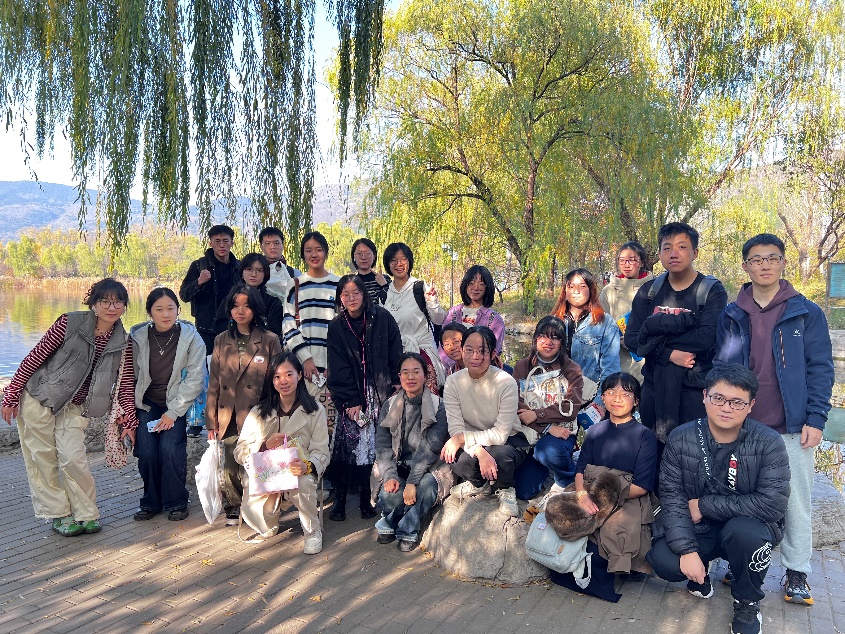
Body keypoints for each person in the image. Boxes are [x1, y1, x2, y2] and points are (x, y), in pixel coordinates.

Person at [714, 233, 834, 606]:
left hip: (791, 426)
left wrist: (816, 418)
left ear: (783, 262)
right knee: (738, 496)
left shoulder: (806, 312)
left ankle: (797, 571)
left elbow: (821, 368)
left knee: (795, 501)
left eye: (772, 258)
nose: (764, 265)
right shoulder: (732, 314)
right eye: (756, 259)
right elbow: (721, 367)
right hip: (742, 426)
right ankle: (739, 561)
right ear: (745, 266)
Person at [646, 365, 790, 634]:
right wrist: (687, 552)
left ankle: (747, 601)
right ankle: (701, 573)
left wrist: (704, 505)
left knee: (746, 534)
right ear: (705, 397)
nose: (726, 408)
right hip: (701, 528)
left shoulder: (768, 443)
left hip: (746, 527)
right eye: (718, 398)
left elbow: (772, 504)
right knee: (664, 559)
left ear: (751, 405)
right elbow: (672, 497)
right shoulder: (681, 437)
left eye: (737, 402)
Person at [1, 279, 137, 536]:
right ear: (93, 303)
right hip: (41, 397)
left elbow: (126, 383)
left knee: (74, 458)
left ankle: (86, 513)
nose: (112, 307)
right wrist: (11, 395)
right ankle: (59, 514)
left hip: (76, 406)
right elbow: (35, 357)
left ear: (124, 305)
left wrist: (130, 420)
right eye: (105, 301)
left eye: (118, 302)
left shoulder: (124, 342)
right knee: (42, 458)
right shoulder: (69, 323)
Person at [624, 222, 728, 446]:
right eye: (667, 247)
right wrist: (668, 354)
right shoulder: (649, 292)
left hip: (694, 391)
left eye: (682, 247)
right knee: (654, 452)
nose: (674, 253)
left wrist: (654, 341)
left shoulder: (711, 291)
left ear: (695, 253)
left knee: (692, 455)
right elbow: (633, 339)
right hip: (654, 389)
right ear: (660, 253)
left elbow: (706, 338)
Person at [234, 352, 329, 554]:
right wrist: (263, 446)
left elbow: (321, 451)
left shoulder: (315, 410)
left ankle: (312, 530)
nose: (283, 381)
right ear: (272, 380)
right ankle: (268, 520)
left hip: (298, 470)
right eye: (277, 376)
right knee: (264, 523)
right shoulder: (259, 412)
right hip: (269, 471)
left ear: (299, 375)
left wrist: (307, 466)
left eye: (289, 374)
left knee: (302, 480)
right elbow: (239, 450)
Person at [326, 274, 403, 521]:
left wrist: (396, 382)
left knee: (372, 447)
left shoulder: (382, 318)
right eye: (345, 294)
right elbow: (337, 366)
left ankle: (365, 499)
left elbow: (395, 351)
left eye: (355, 293)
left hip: (379, 390)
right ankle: (339, 499)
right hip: (352, 394)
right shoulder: (336, 326)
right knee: (347, 447)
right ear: (340, 298)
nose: (351, 298)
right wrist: (349, 400)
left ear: (364, 294)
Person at [206, 284, 282, 526]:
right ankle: (233, 506)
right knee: (229, 463)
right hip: (228, 412)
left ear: (255, 309)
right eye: (236, 306)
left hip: (257, 413)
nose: (241, 311)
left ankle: (258, 507)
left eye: (247, 306)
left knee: (255, 461)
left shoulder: (269, 340)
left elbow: (277, 379)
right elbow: (214, 383)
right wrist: (211, 421)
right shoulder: (221, 340)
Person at [130, 287, 206, 522]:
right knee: (147, 452)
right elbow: (129, 374)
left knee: (170, 449)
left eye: (171, 308)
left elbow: (195, 378)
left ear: (178, 310)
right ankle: (150, 501)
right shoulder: (137, 338)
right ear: (149, 312)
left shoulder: (191, 338)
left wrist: (173, 412)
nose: (166, 314)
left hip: (176, 403)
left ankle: (176, 501)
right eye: (159, 309)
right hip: (147, 403)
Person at [573, 372, 658, 574]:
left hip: (626, 497)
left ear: (636, 401)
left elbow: (642, 486)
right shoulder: (595, 431)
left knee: (607, 551)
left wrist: (603, 499)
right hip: (590, 493)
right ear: (603, 397)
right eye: (611, 392)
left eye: (625, 394)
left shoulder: (645, 436)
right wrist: (582, 495)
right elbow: (580, 470)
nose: (617, 398)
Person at [440, 326, 529, 517]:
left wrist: (462, 438)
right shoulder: (453, 382)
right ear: (462, 350)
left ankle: (505, 488)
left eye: (482, 351)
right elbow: (456, 428)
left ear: (493, 353)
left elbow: (500, 434)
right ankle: (480, 484)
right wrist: (479, 452)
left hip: (509, 440)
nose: (475, 357)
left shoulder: (505, 382)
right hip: (473, 440)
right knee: (454, 456)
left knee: (499, 454)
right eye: (469, 350)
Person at [375, 352, 451, 552]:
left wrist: (412, 482)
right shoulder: (390, 405)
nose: (411, 377)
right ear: (399, 376)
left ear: (425, 375)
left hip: (429, 467)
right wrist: (390, 475)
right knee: (391, 492)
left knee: (425, 488)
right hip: (399, 464)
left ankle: (408, 529)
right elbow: (382, 444)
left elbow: (431, 447)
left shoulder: (439, 406)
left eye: (416, 372)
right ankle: (389, 521)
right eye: (405, 372)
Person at [512, 316, 585, 489]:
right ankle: (544, 466)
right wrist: (546, 428)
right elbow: (514, 402)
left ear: (562, 343)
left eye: (555, 338)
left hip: (561, 434)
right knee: (524, 490)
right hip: (530, 432)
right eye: (543, 336)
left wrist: (537, 414)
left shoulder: (571, 369)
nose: (548, 342)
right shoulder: (522, 366)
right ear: (535, 339)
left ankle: (568, 480)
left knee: (550, 451)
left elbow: (570, 408)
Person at [383, 242, 446, 394]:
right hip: (395, 358)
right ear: (388, 264)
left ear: (409, 262)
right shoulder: (384, 294)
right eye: (394, 260)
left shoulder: (420, 287)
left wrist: (432, 301)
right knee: (400, 404)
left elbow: (439, 319)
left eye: (403, 259)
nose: (399, 264)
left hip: (421, 353)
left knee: (428, 401)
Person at [551, 268, 621, 404]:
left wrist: (599, 404)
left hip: (589, 399)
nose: (576, 291)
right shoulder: (554, 321)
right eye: (571, 287)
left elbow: (611, 368)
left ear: (591, 290)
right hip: (555, 397)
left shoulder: (605, 323)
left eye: (582, 286)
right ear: (565, 291)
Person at [281, 231, 340, 387]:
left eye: (319, 249)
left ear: (326, 252)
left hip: (332, 368)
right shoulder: (295, 285)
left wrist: (333, 363)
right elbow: (288, 324)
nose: (314, 254)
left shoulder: (338, 284)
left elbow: (344, 327)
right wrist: (305, 358)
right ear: (303, 254)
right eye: (308, 250)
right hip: (301, 367)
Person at [180, 224, 241, 354]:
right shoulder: (199, 265)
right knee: (206, 364)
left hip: (234, 328)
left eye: (225, 241)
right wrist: (199, 282)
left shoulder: (239, 267)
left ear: (232, 243)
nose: (222, 245)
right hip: (206, 330)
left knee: (233, 365)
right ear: (210, 243)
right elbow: (184, 295)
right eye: (217, 241)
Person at [599, 241, 654, 382]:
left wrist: (638, 340)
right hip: (618, 358)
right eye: (622, 260)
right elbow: (602, 325)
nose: (626, 264)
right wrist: (616, 340)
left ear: (641, 262)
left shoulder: (654, 288)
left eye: (631, 260)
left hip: (649, 357)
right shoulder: (608, 291)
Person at [441, 266, 505, 371]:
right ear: (465, 285)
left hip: (481, 374)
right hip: (452, 372)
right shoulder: (453, 313)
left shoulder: (494, 320)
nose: (476, 287)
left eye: (481, 284)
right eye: (471, 283)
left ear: (487, 287)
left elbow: (493, 351)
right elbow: (443, 346)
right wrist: (455, 368)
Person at [234, 253, 285, 336]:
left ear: (265, 274)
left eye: (259, 270)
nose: (254, 274)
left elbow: (274, 331)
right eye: (249, 269)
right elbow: (222, 325)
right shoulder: (232, 298)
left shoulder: (273, 303)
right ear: (242, 272)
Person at [258, 226, 299, 300]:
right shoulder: (255, 272)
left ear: (283, 245)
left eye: (276, 243)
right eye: (268, 243)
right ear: (261, 247)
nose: (272, 247)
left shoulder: (294, 273)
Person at [351, 238, 391, 305]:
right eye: (359, 254)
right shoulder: (351, 283)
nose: (363, 257)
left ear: (374, 256)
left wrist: (384, 285)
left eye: (367, 253)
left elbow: (394, 302)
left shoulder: (385, 279)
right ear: (354, 257)